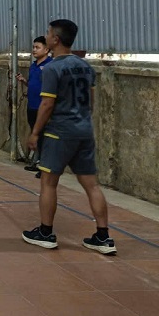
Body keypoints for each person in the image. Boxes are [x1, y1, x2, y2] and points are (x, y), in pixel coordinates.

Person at [21, 20, 115, 254]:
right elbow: (90, 102)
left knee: (48, 182)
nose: (46, 36)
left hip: (59, 132)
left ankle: (45, 233)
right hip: (84, 130)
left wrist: (35, 132)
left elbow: (47, 104)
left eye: (48, 33)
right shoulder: (85, 67)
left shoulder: (52, 69)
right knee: (92, 185)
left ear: (55, 39)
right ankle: (103, 237)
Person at [16, 37, 52, 176]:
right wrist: (24, 81)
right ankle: (37, 161)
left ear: (46, 49)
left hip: (42, 107)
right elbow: (32, 84)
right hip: (31, 106)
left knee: (43, 137)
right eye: (33, 47)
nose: (34, 50)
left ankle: (44, 166)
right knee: (36, 135)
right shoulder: (33, 66)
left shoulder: (50, 66)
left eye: (38, 47)